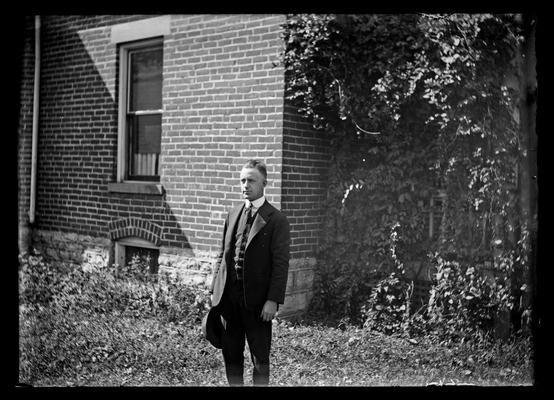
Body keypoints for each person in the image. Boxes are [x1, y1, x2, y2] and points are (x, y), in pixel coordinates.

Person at [209, 159, 290, 386]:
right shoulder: (232, 214)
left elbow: (281, 264)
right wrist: (214, 289)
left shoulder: (277, 220)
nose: (246, 185)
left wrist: (272, 300)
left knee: (260, 361)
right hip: (229, 302)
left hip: (257, 304)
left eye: (251, 180)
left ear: (264, 183)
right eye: (242, 180)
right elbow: (221, 256)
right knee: (231, 357)